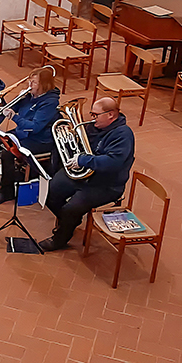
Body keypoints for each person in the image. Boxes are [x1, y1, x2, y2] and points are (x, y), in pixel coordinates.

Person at [39, 97, 135, 252]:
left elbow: (113, 162)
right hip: (84, 176)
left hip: (106, 184)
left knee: (72, 208)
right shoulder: (94, 127)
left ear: (110, 115)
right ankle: (70, 221)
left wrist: (84, 159)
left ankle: (60, 239)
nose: (91, 118)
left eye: (95, 115)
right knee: (49, 192)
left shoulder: (123, 135)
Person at [0, 67, 60, 204]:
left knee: (8, 153)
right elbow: (13, 109)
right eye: (30, 82)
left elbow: (35, 127)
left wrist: (15, 118)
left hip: (39, 139)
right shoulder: (30, 96)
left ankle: (7, 192)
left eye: (34, 83)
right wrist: (13, 101)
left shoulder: (50, 103)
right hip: (23, 133)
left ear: (44, 85)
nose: (29, 86)